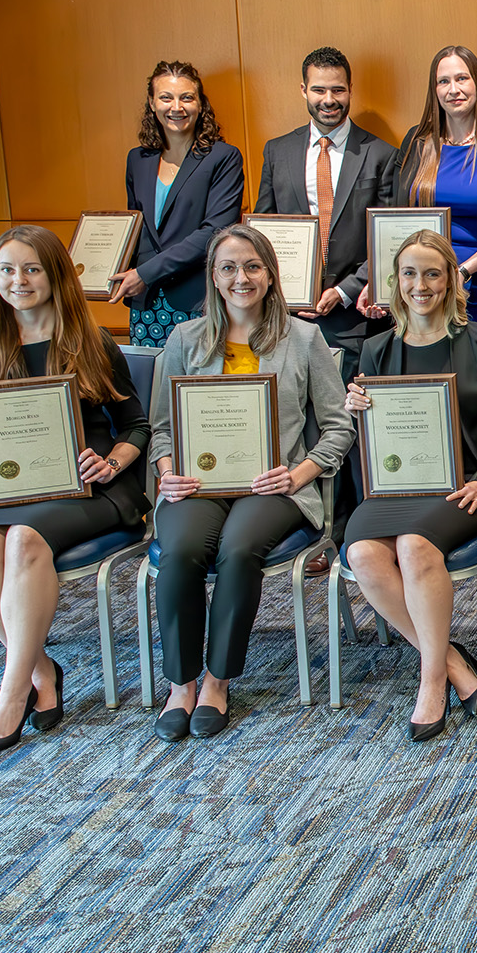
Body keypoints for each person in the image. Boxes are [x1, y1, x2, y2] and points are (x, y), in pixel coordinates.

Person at [0, 227, 150, 757]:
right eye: (7, 270)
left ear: (55, 275)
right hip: (11, 489)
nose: (19, 281)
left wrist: (111, 462)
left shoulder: (89, 340)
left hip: (88, 487)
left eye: (32, 269)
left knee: (23, 541)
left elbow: (136, 424)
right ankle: (40, 668)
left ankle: (12, 696)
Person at [146, 225, 353, 740]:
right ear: (213, 278)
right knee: (182, 548)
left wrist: (299, 473)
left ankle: (217, 680)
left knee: (239, 549)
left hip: (276, 487)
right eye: (229, 268)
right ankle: (180, 683)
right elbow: (161, 428)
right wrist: (168, 473)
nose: (242, 278)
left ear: (270, 274)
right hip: (197, 486)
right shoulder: (183, 340)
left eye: (252, 267)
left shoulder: (304, 338)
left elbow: (338, 426)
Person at [342, 231, 477, 742]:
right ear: (396, 282)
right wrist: (357, 414)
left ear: (451, 279)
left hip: (466, 487)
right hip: (397, 486)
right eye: (410, 274)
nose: (421, 285)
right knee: (363, 555)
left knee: (415, 547)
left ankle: (431, 679)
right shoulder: (375, 349)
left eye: (433, 273)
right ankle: (451, 659)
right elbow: (372, 441)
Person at [253, 46, 398, 571]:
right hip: (287, 320)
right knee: (304, 425)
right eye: (319, 89)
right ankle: (314, 531)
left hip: (352, 313)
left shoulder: (380, 154)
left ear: (349, 91)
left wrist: (342, 289)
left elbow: (385, 238)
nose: (329, 99)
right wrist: (283, 296)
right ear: (303, 91)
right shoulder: (277, 150)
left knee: (353, 428)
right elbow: (263, 231)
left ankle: (353, 538)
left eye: (338, 90)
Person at [358, 46, 477, 372]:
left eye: (462, 78)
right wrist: (379, 279)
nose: (453, 90)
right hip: (425, 299)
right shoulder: (417, 141)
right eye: (443, 81)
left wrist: (462, 271)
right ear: (434, 89)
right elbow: (396, 220)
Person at [116, 60, 246, 347]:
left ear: (200, 104)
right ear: (152, 103)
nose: (177, 107)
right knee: (151, 389)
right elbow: (135, 231)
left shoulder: (223, 158)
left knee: (198, 389)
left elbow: (215, 233)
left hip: (197, 300)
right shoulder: (137, 160)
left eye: (187, 97)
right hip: (146, 301)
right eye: (166, 97)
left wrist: (145, 273)